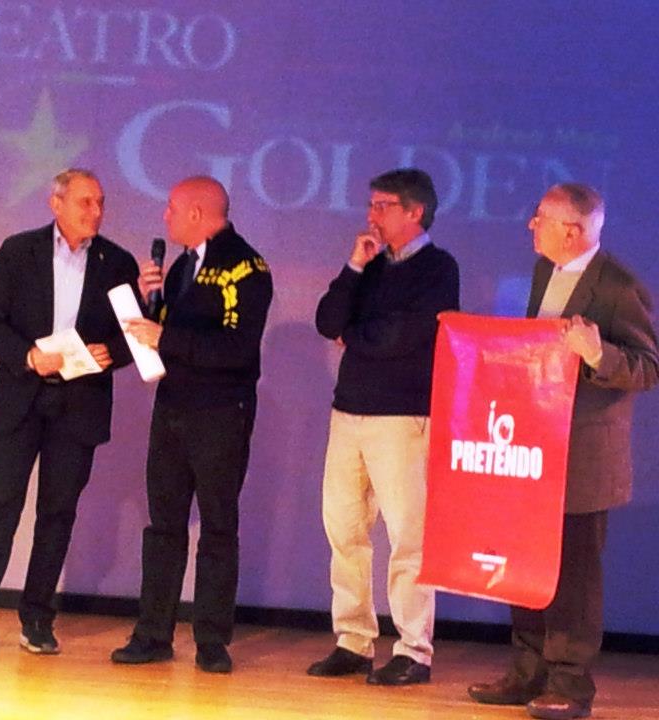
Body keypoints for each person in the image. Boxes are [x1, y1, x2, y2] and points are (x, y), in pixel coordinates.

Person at [468, 184, 658, 720]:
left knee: (574, 574)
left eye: (540, 219)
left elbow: (648, 367)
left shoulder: (618, 286)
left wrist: (598, 354)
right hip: (534, 447)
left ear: (572, 231)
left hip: (583, 458)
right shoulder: (543, 272)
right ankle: (527, 671)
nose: (531, 226)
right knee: (525, 559)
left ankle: (571, 684)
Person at [0, 169, 139, 658]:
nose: (96, 211)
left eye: (100, 202)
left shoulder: (118, 262)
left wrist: (111, 354)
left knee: (57, 514)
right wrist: (29, 356)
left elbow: (135, 335)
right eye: (85, 202)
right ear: (56, 203)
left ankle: (37, 619)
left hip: (80, 404)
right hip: (22, 398)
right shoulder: (18, 251)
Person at [111, 176, 273, 674]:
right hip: (173, 408)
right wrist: (151, 303)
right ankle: (153, 633)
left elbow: (237, 348)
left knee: (218, 526)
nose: (166, 216)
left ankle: (211, 640)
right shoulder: (183, 266)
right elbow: (168, 334)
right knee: (163, 525)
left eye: (172, 208)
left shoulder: (246, 268)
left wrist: (165, 336)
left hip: (220, 413)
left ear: (198, 213)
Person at [309, 168, 459, 685]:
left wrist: (354, 335)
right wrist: (354, 266)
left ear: (414, 211)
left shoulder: (438, 269)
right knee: (345, 529)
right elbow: (327, 321)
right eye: (371, 204)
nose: (371, 215)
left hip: (402, 416)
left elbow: (404, 336)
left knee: (408, 536)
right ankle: (353, 640)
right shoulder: (369, 265)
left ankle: (414, 649)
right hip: (348, 410)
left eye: (382, 205)